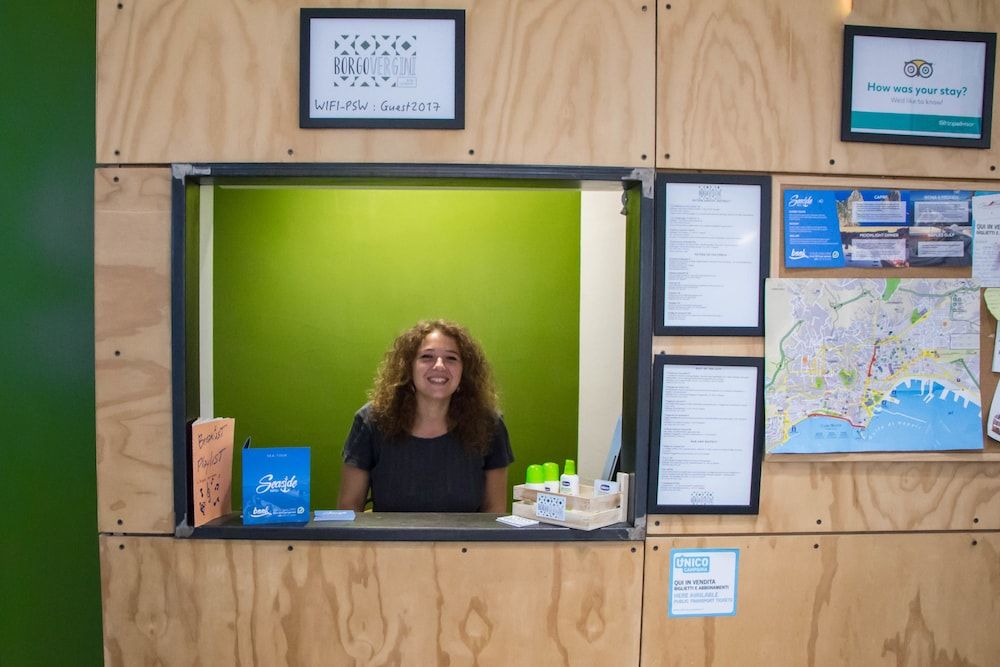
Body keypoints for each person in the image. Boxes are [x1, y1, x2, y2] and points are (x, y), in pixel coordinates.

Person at [337, 319, 514, 513]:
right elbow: (348, 508)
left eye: (451, 358)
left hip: (466, 535)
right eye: (427, 356)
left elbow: (494, 511)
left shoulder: (489, 424)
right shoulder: (371, 421)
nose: (439, 365)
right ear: (408, 367)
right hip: (389, 535)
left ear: (465, 370)